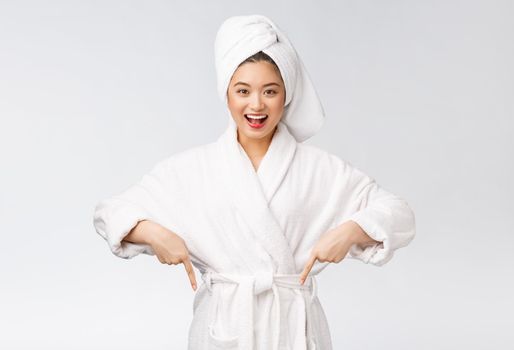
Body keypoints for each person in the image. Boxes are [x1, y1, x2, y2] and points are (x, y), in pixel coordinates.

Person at [93, 14, 416, 350]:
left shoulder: (320, 169)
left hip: (295, 331)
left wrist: (351, 231)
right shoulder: (194, 168)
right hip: (224, 327)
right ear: (227, 94)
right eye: (243, 90)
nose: (256, 105)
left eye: (270, 91)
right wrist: (154, 233)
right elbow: (109, 213)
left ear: (286, 95)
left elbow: (400, 214)